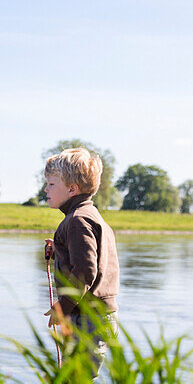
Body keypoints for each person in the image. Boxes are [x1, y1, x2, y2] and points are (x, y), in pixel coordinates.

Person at [41, 147, 120, 372]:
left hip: (87, 318)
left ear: (72, 189)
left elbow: (86, 270)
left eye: (52, 184)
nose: (46, 189)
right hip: (99, 315)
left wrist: (63, 307)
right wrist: (60, 250)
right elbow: (93, 258)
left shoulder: (77, 220)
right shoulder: (90, 216)